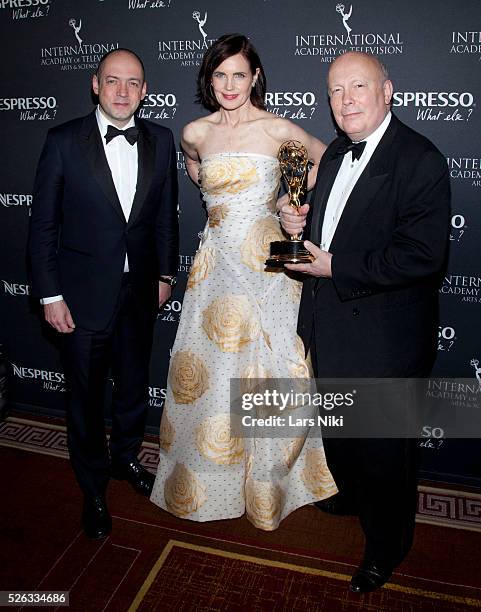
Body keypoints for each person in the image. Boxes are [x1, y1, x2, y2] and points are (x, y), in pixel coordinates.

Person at [150, 34, 337, 529]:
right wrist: (218, 205)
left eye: (239, 74)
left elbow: (326, 159)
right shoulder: (195, 132)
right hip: (215, 266)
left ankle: (269, 486)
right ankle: (212, 481)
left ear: (255, 77)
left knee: (268, 367)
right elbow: (197, 172)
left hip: (267, 267)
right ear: (209, 80)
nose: (230, 84)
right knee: (212, 368)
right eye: (220, 75)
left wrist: (283, 203)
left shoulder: (277, 130)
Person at [280, 51, 450, 592]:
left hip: (385, 338)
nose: (346, 99)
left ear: (388, 91)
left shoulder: (420, 158)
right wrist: (294, 220)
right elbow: (328, 231)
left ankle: (387, 545)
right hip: (330, 325)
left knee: (385, 450)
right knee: (343, 435)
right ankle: (351, 495)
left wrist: (336, 266)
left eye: (358, 86)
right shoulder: (332, 154)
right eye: (335, 90)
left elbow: (422, 255)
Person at [28, 48, 179, 539]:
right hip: (80, 299)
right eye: (112, 81)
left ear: (144, 91)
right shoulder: (63, 141)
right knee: (86, 402)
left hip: (138, 296)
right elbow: (43, 227)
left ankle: (126, 460)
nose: (121, 91)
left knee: (134, 390)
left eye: (132, 83)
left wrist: (163, 278)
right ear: (95, 84)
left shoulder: (160, 138)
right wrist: (50, 296)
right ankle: (92, 488)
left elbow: (164, 219)